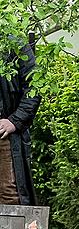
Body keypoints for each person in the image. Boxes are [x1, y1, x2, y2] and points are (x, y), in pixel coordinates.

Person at [0, 40, 41, 206]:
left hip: (4, 134)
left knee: (9, 194)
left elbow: (35, 85)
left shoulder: (14, 42)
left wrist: (14, 121)